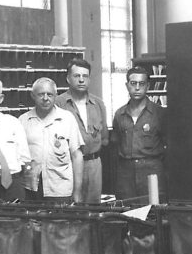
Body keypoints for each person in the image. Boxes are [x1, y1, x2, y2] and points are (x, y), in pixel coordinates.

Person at [20, 77, 85, 203]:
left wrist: (77, 191)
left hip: (60, 188)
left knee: (60, 222)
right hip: (31, 188)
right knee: (33, 222)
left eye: (49, 94)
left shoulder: (67, 119)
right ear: (33, 96)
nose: (45, 98)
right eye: (41, 94)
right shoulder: (23, 121)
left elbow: (77, 156)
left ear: (56, 95)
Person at [55, 57, 109, 204]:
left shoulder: (98, 104)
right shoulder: (58, 104)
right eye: (76, 76)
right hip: (69, 165)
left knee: (94, 210)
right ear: (68, 78)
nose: (81, 80)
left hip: (94, 164)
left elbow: (104, 138)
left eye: (85, 76)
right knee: (72, 208)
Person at [110, 66, 167, 203]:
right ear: (127, 85)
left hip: (151, 170)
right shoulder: (119, 114)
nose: (137, 88)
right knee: (128, 212)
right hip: (126, 173)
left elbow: (168, 146)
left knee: (154, 213)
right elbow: (115, 146)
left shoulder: (159, 113)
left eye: (141, 84)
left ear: (147, 86)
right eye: (133, 83)